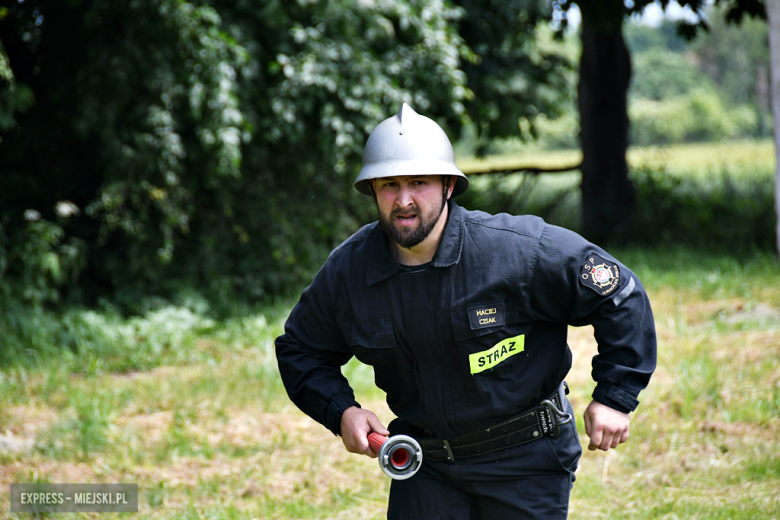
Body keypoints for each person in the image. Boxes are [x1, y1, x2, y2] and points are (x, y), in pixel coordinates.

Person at [275, 103, 656, 519]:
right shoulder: (349, 272)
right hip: (426, 465)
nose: (404, 200)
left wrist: (616, 396)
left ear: (448, 186)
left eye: (418, 182)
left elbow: (618, 294)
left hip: (526, 461)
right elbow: (300, 349)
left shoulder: (517, 250)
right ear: (372, 192)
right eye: (389, 185)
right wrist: (342, 411)